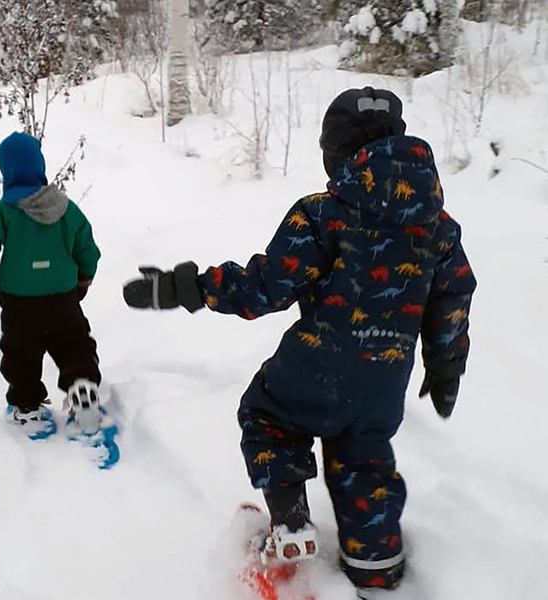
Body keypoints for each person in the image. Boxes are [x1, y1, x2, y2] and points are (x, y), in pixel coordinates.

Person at [123, 87, 476, 597]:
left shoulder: (323, 213)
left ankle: (290, 526)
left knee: (267, 415)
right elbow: (453, 301)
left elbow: (265, 287)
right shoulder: (439, 228)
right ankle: (376, 566)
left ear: (336, 153)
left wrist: (188, 288)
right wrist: (446, 368)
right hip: (383, 381)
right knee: (364, 457)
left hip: (314, 368)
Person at [0, 132, 103, 440]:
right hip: (62, 297)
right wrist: (85, 274)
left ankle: (27, 405)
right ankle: (82, 383)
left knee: (21, 352)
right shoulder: (67, 209)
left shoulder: (4, 212)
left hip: (19, 301)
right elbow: (86, 245)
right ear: (39, 165)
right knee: (73, 344)